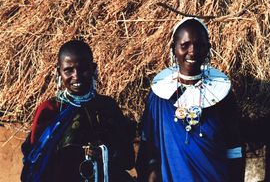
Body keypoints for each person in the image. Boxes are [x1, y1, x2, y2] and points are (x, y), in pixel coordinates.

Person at [136, 17, 245, 182]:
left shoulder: (222, 95)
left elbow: (234, 149)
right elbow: (148, 146)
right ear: (173, 49)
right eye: (184, 45)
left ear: (208, 48)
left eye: (199, 45)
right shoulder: (159, 96)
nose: (192, 52)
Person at [21, 40, 136, 182]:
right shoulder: (50, 110)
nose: (76, 75)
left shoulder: (107, 107)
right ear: (59, 71)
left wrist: (104, 152)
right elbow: (35, 165)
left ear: (93, 68)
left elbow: (128, 160)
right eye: (68, 70)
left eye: (83, 69)